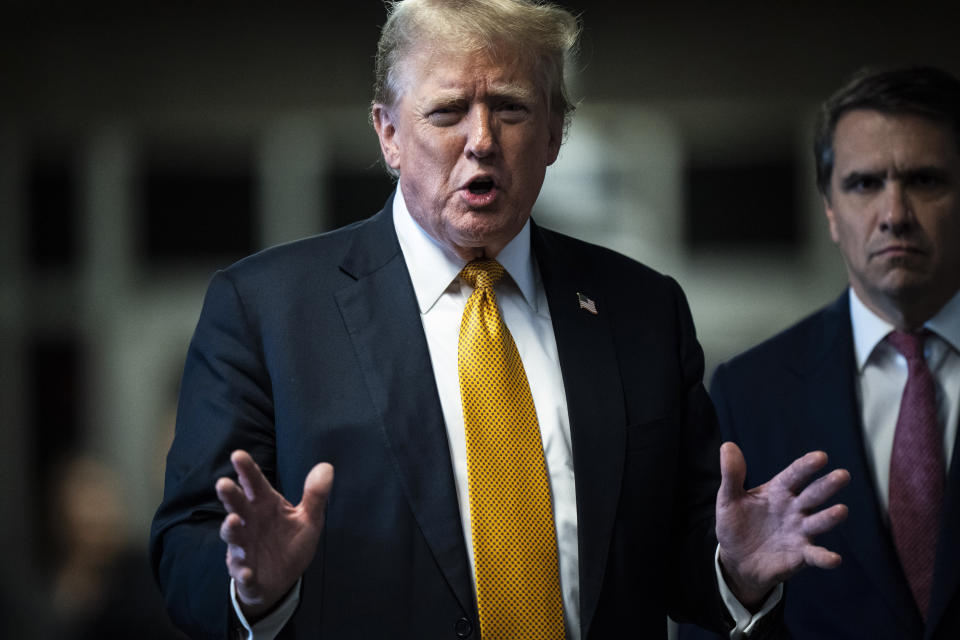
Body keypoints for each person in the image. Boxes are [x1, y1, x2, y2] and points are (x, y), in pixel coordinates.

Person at [150, 1, 849, 638]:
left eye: (511, 109)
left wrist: (736, 573)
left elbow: (675, 557)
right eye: (448, 111)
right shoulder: (266, 309)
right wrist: (255, 591)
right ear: (388, 132)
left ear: (554, 132)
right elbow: (187, 543)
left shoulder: (642, 311)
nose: (482, 140)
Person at [679, 65, 960, 640]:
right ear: (830, 210)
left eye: (926, 180)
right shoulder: (748, 391)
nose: (894, 214)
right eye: (864, 184)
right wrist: (742, 588)